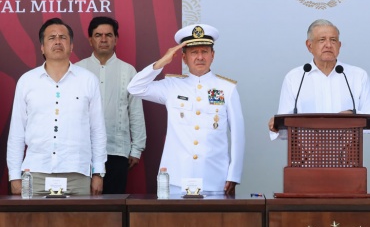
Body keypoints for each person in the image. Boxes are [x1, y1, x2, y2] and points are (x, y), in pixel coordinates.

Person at [127, 24, 244, 195]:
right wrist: (162, 62)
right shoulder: (172, 86)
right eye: (194, 52)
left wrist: (234, 175)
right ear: (184, 57)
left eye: (204, 52)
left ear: (212, 55)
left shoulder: (227, 88)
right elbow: (134, 88)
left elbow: (238, 135)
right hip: (176, 177)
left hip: (214, 178)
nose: (200, 57)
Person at [7, 18, 107, 196]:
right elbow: (17, 132)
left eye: (63, 37)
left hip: (77, 173)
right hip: (35, 173)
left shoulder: (88, 80)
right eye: (51, 38)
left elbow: (97, 130)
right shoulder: (27, 81)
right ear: (42, 47)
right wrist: (14, 176)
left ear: (71, 46)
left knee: (81, 216)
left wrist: (98, 172)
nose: (58, 41)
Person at [268, 19, 370, 138]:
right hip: (305, 149)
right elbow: (284, 127)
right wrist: (276, 126)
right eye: (322, 40)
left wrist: (352, 116)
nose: (328, 45)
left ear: (339, 46)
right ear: (309, 45)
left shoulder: (358, 76)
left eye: (333, 40)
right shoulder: (294, 78)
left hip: (348, 150)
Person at [76, 17, 146, 194]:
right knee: (81, 206)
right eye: (98, 35)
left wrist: (137, 149)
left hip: (116, 151)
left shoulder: (128, 71)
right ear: (90, 40)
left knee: (113, 206)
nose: (103, 39)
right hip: (82, 152)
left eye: (108, 35)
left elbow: (135, 111)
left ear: (116, 39)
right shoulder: (77, 70)